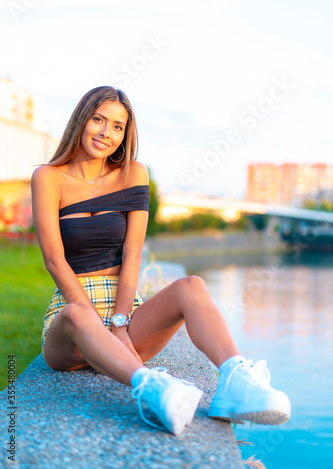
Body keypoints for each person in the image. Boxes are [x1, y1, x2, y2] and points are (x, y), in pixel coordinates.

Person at [31, 86, 291, 436]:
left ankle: (235, 380)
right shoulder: (48, 177)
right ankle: (154, 390)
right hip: (72, 328)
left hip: (127, 317)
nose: (107, 133)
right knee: (78, 315)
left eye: (118, 127)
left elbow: (132, 252)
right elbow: (54, 259)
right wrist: (99, 326)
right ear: (82, 119)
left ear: (126, 134)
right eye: (99, 120)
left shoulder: (133, 174)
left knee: (192, 287)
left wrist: (120, 324)